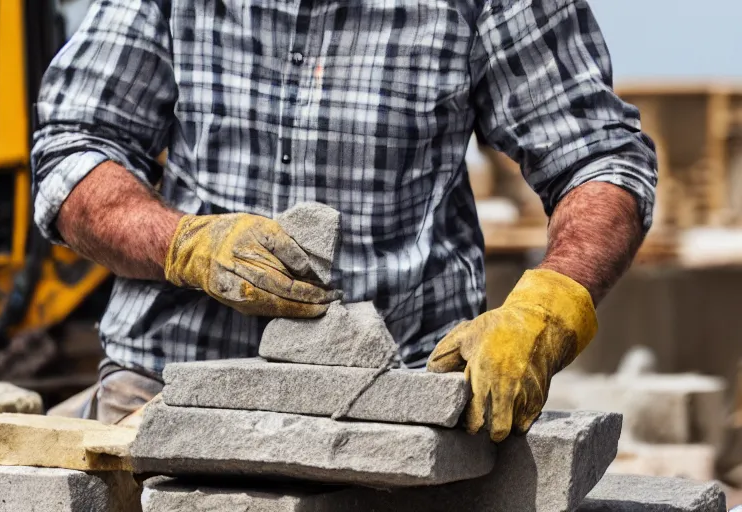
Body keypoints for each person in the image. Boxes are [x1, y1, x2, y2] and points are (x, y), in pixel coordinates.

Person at [32, 0, 656, 440]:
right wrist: (186, 245)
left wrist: (550, 304)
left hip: (399, 400)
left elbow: (599, 157)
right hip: (170, 380)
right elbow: (75, 146)